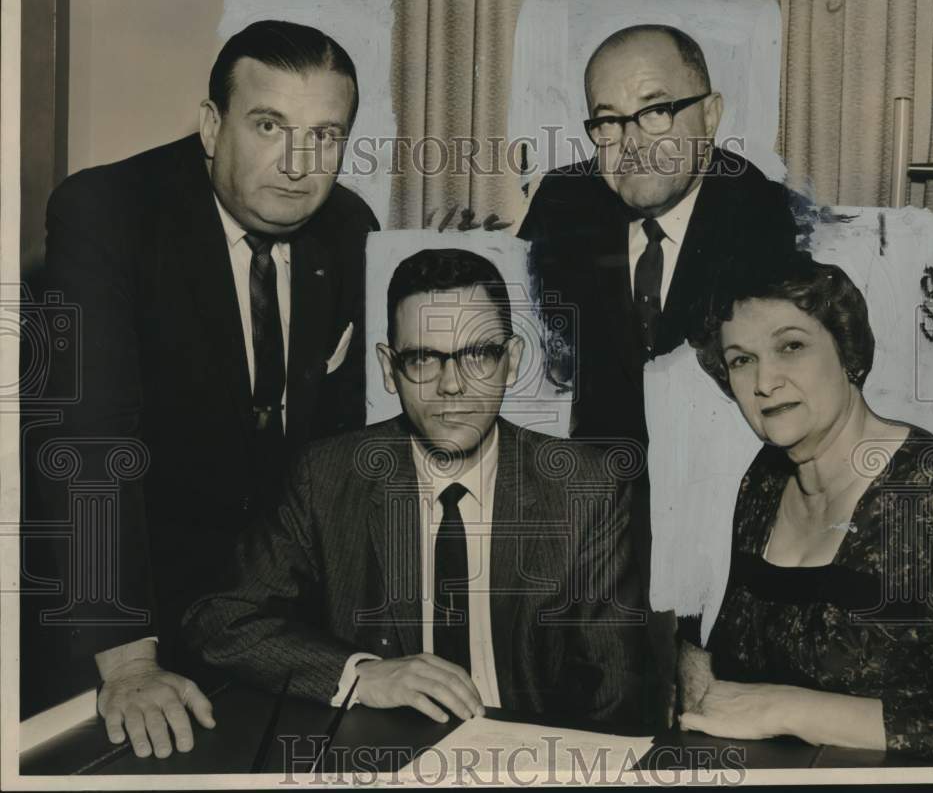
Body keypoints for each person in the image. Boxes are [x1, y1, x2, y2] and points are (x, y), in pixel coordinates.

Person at [32, 20, 378, 757]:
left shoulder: (350, 228)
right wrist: (127, 659)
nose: (298, 163)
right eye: (269, 124)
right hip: (122, 602)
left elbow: (341, 452)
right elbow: (91, 444)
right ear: (212, 126)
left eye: (325, 135)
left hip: (268, 615)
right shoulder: (108, 213)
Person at [183, 248, 649, 725]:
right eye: (424, 358)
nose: (451, 385)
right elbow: (220, 619)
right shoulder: (326, 476)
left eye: (477, 355)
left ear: (512, 361)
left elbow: (613, 689)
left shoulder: (584, 486)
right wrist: (361, 676)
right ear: (389, 368)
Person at [518, 24, 798, 610]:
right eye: (607, 120)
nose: (630, 142)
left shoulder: (757, 212)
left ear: (711, 115)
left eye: (656, 112)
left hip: (710, 515)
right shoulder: (562, 203)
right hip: (584, 516)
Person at [681, 252, 933, 763]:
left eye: (791, 346)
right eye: (741, 360)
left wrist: (788, 708)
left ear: (847, 353)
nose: (764, 383)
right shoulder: (763, 482)